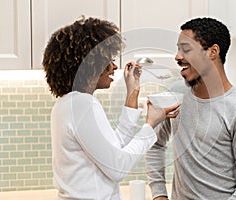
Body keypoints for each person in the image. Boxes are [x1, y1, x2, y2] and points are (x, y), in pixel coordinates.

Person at [42, 17, 180, 200]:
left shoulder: (67, 104)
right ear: (92, 65)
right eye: (108, 60)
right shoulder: (83, 105)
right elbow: (118, 167)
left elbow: (115, 145)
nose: (114, 66)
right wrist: (150, 124)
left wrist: (133, 90)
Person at [146, 17, 236, 199]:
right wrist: (159, 194)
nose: (177, 57)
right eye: (178, 49)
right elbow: (155, 145)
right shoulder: (176, 93)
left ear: (213, 51)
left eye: (186, 49)